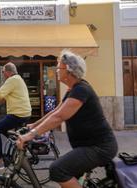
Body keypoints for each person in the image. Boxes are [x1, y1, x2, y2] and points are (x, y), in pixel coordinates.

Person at [16, 50, 118, 188]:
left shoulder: (81, 90)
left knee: (58, 170)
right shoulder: (72, 90)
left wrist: (31, 135)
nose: (56, 70)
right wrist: (33, 125)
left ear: (69, 70)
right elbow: (55, 111)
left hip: (99, 147)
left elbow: (59, 117)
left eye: (58, 67)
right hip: (87, 146)